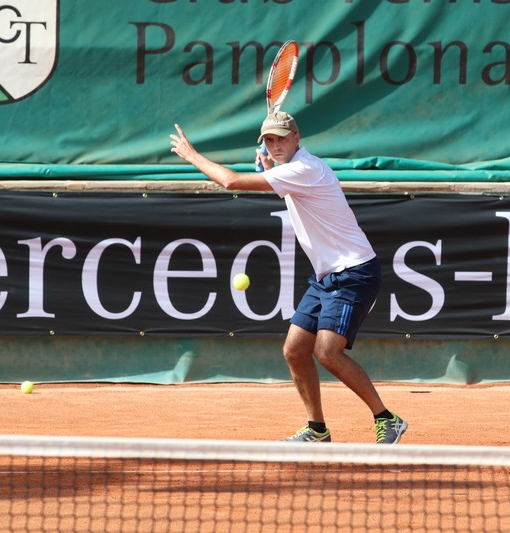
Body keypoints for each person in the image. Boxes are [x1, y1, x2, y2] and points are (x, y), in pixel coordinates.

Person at [169, 111, 407, 444]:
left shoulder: (305, 168)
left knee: (327, 352)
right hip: (327, 275)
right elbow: (286, 187)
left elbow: (232, 182)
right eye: (269, 140)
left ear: (297, 137)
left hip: (354, 272)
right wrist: (271, 169)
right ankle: (317, 429)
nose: (276, 145)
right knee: (295, 350)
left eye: (282, 138)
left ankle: (387, 418)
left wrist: (192, 156)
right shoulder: (292, 170)